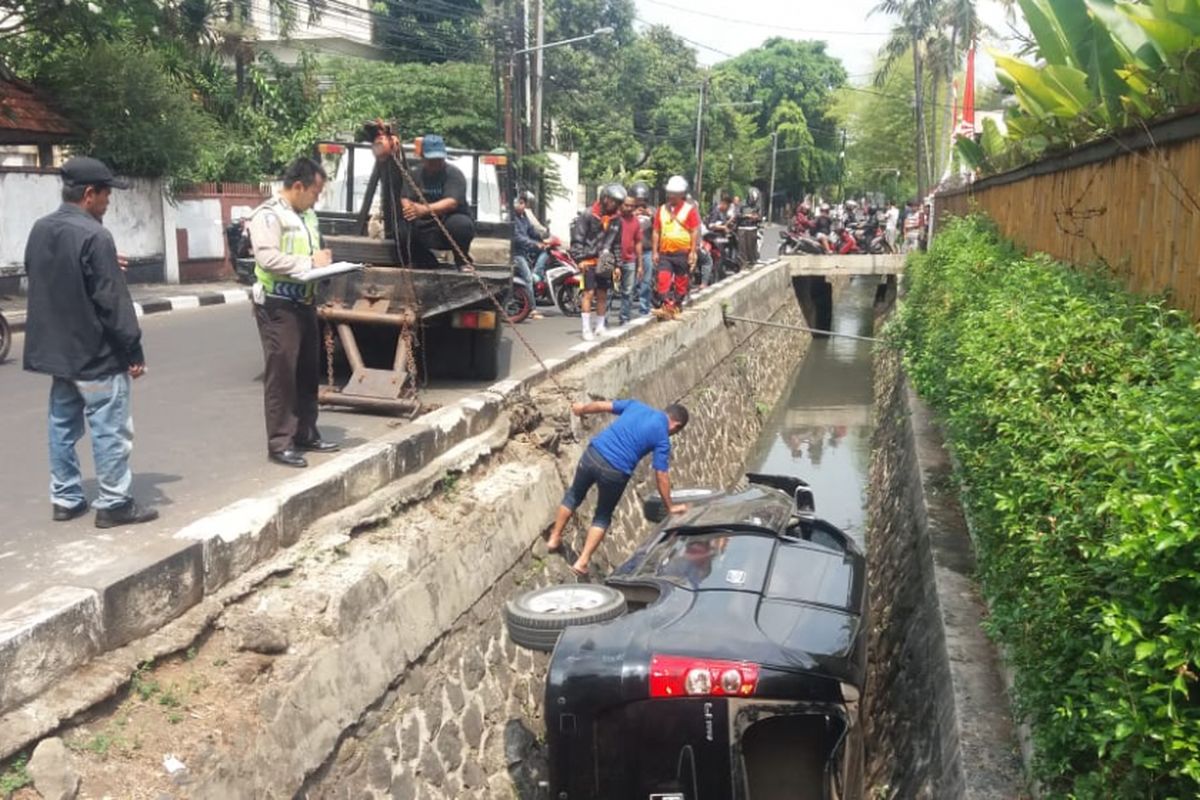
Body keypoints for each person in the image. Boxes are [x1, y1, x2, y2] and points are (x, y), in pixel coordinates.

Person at [23, 156, 158, 527]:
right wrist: (133, 349)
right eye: (105, 194)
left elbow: (46, 274)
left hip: (58, 353)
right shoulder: (96, 236)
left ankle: (65, 498)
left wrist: (105, 262)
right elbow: (112, 301)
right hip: (96, 353)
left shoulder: (40, 228)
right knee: (110, 426)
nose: (108, 202)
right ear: (88, 194)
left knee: (61, 425)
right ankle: (114, 503)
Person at [248, 157, 340, 469]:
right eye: (315, 192)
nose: (317, 198)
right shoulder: (268, 216)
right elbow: (267, 258)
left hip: (305, 301)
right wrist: (309, 264)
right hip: (278, 305)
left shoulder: (308, 216)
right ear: (298, 186)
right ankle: (280, 443)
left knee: (306, 371)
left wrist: (325, 261)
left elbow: (315, 250)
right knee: (282, 374)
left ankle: (306, 431)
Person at [546, 399, 690, 576]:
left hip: (593, 454)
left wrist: (581, 409)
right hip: (615, 472)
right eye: (676, 431)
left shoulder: (636, 406)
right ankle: (582, 561)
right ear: (676, 425)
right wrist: (670, 506)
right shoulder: (662, 438)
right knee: (602, 515)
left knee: (574, 495)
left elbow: (600, 406)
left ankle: (554, 537)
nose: (672, 435)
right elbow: (661, 475)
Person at [397, 134, 475, 269]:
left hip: (446, 225)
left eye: (438, 158)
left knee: (461, 224)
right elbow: (405, 196)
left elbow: (452, 202)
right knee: (401, 228)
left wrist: (423, 210)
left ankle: (462, 261)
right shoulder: (415, 174)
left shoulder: (454, 174)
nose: (435, 162)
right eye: (431, 159)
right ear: (423, 157)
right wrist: (409, 208)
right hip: (423, 226)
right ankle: (425, 260)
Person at [570, 183, 625, 340]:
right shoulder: (588, 215)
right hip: (588, 259)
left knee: (603, 294)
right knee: (589, 293)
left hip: (606, 259)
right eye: (614, 201)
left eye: (618, 203)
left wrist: (617, 265)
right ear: (605, 198)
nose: (615, 205)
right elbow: (577, 239)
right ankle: (586, 328)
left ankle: (600, 326)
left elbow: (616, 244)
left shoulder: (616, 220)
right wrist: (579, 259)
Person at [652, 175, 701, 316]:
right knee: (663, 279)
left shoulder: (689, 210)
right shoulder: (661, 210)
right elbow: (656, 231)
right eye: (670, 193)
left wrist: (692, 252)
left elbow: (694, 231)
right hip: (665, 252)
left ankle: (677, 304)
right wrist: (655, 251)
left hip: (682, 252)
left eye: (674, 194)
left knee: (681, 281)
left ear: (681, 194)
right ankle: (666, 305)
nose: (671, 196)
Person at [512, 192, 547, 320]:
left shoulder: (524, 216)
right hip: (516, 253)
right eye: (519, 203)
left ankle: (538, 275)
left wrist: (544, 238)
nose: (521, 206)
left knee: (545, 253)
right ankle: (532, 309)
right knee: (527, 278)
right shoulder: (512, 218)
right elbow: (518, 238)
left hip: (525, 251)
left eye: (523, 203)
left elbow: (532, 231)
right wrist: (534, 244)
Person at [615, 193, 644, 325]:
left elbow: (638, 242)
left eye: (632, 206)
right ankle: (602, 320)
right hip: (613, 260)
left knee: (628, 291)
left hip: (629, 260)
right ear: (621, 205)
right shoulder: (614, 218)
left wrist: (640, 265)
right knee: (610, 291)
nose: (629, 208)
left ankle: (624, 318)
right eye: (626, 205)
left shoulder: (635, 221)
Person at [631, 182, 655, 316]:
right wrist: (633, 214)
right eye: (637, 200)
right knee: (629, 283)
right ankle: (626, 309)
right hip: (631, 251)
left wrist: (651, 216)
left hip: (647, 250)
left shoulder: (652, 210)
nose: (640, 203)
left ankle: (644, 308)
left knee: (646, 281)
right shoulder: (629, 210)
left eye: (642, 200)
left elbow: (659, 226)